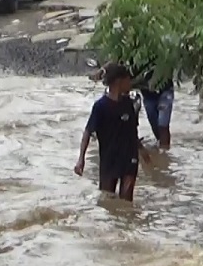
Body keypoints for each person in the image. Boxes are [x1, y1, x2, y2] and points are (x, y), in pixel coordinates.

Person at [74, 63, 150, 201]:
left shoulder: (129, 104)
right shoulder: (100, 106)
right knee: (107, 199)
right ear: (119, 82)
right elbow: (88, 132)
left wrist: (142, 150)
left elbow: (132, 131)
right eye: (128, 80)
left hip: (129, 157)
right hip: (109, 159)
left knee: (126, 201)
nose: (130, 83)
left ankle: (125, 220)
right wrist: (81, 159)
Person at [133, 64, 174, 150]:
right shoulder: (135, 55)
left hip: (165, 90)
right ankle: (161, 148)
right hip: (148, 95)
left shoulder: (161, 53)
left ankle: (164, 152)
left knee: (163, 124)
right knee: (154, 123)